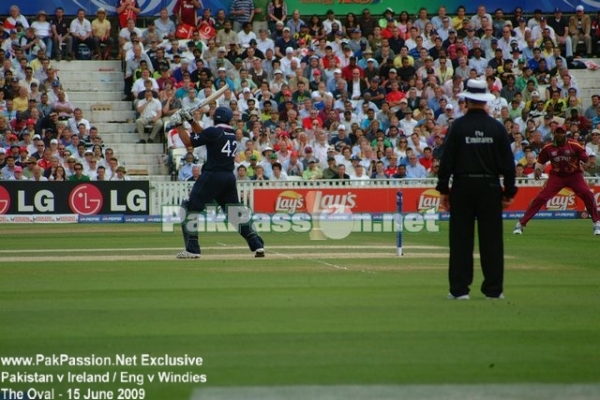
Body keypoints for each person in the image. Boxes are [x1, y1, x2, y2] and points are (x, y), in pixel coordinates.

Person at [436, 79, 517, 300]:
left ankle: (459, 290)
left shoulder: (458, 127)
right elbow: (508, 164)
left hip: (463, 186)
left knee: (460, 240)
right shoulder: (496, 127)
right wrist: (509, 192)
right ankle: (493, 290)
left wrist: (444, 190)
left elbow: (446, 161)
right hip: (490, 186)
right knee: (492, 240)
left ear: (467, 101)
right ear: (485, 102)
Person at [170, 106, 265, 259]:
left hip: (212, 175)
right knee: (235, 214)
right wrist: (190, 120)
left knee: (189, 207)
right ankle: (257, 245)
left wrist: (178, 125)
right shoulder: (231, 134)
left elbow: (189, 141)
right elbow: (204, 134)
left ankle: (192, 249)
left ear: (216, 118)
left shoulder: (214, 132)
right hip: (228, 177)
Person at [513, 125, 600, 236]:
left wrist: (587, 165)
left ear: (565, 133)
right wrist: (538, 170)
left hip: (574, 175)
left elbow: (586, 160)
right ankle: (521, 224)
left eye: (562, 132)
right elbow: (540, 161)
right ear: (554, 134)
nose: (559, 135)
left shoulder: (574, 145)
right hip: (557, 176)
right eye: (557, 133)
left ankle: (596, 222)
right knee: (541, 198)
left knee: (587, 194)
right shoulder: (548, 147)